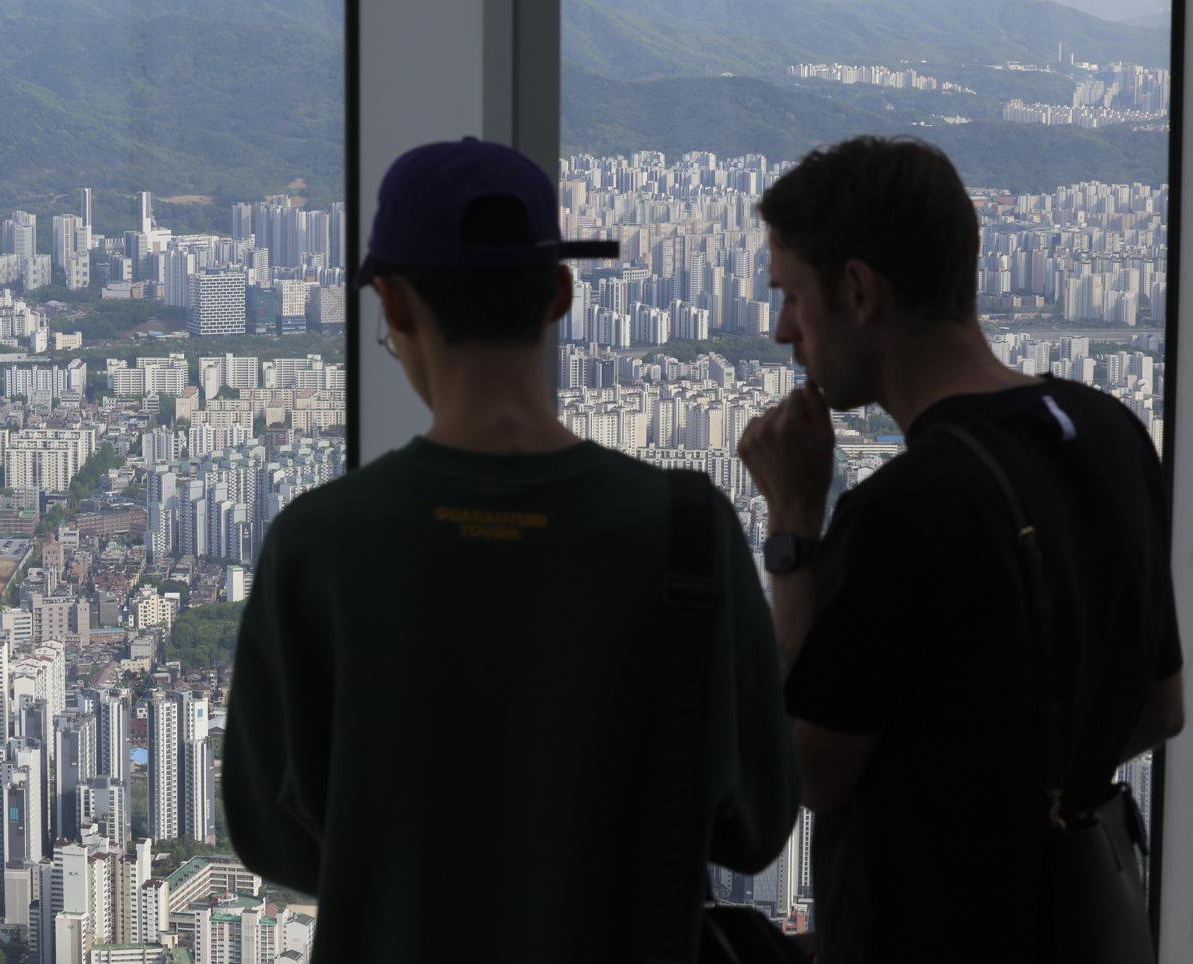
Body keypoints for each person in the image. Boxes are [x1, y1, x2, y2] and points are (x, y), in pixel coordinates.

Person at [222, 138, 800, 960]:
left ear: (393, 305)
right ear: (560, 292)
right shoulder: (687, 530)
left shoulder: (317, 544)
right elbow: (756, 822)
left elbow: (270, 837)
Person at [737, 135, 1186, 963]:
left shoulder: (904, 510)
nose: (780, 331)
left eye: (792, 297)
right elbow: (1163, 706)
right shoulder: (1114, 433)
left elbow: (812, 769)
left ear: (859, 291)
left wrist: (794, 528)